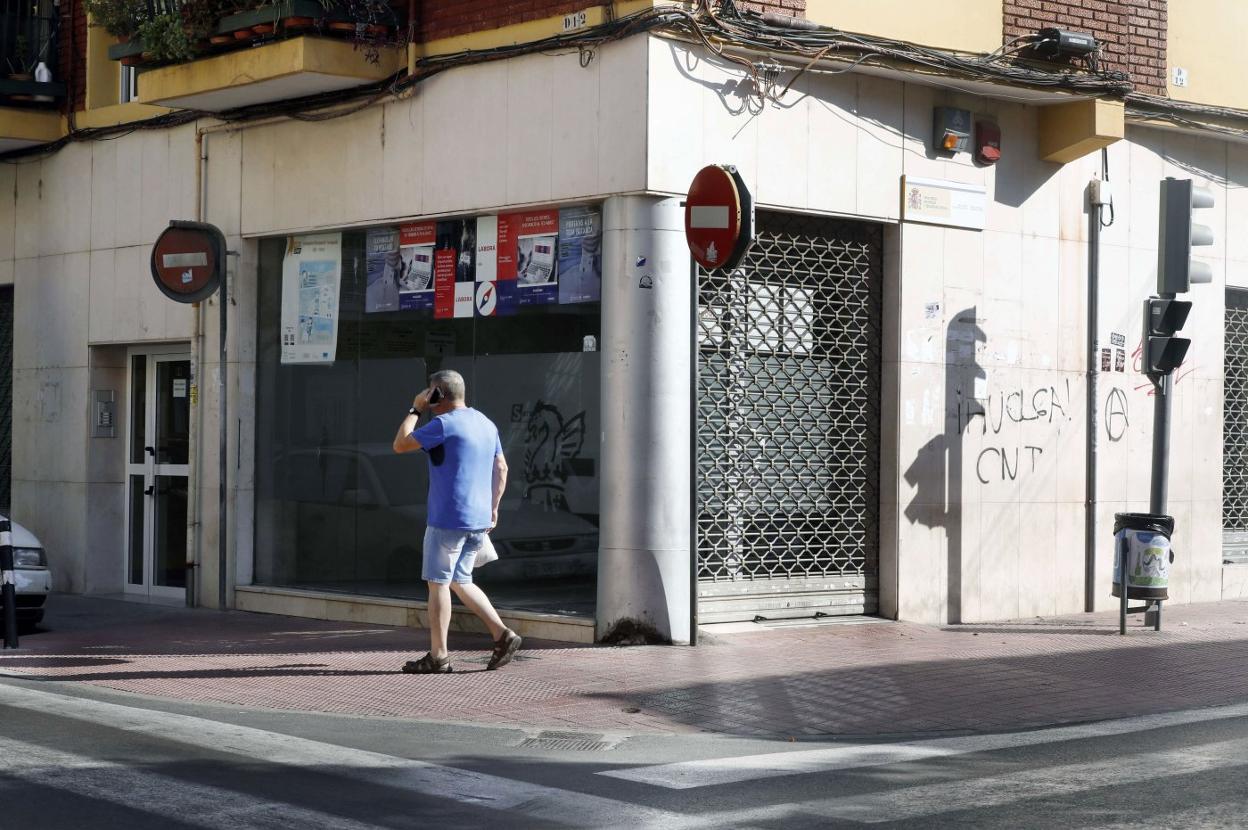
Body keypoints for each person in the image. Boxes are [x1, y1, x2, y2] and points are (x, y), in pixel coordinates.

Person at [392, 369, 521, 673]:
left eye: (430, 392)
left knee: (437, 583)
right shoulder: (485, 423)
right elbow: (501, 468)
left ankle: (439, 656)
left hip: (447, 518)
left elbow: (400, 444)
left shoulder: (442, 425)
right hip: (477, 519)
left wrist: (416, 408)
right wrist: (494, 508)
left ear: (437, 393)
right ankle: (503, 634)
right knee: (461, 581)